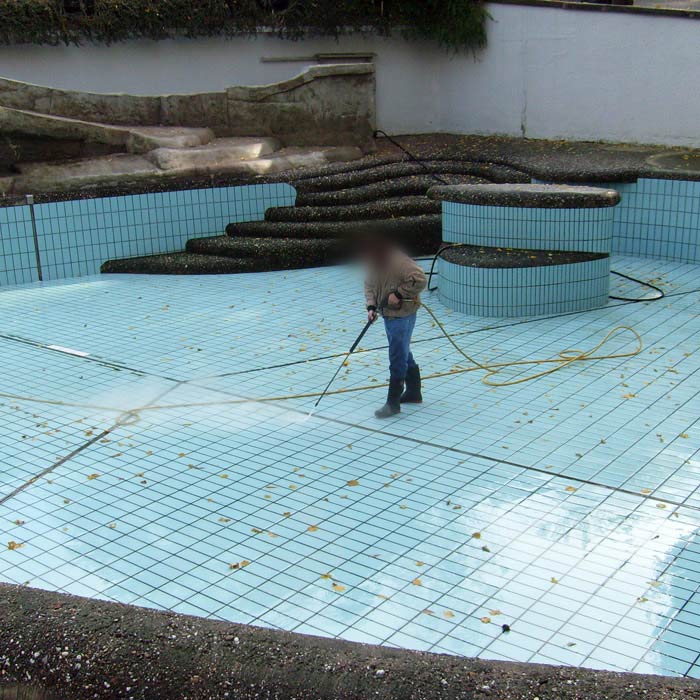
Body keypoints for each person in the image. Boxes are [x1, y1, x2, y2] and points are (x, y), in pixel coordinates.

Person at [363, 238, 427, 418]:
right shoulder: (373, 262)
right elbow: (369, 284)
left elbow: (420, 279)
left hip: (403, 315)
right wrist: (371, 307)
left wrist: (398, 294)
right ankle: (414, 392)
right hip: (387, 315)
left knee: (397, 355)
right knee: (402, 350)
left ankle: (393, 403)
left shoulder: (400, 262)